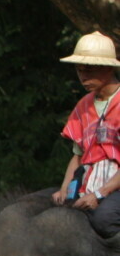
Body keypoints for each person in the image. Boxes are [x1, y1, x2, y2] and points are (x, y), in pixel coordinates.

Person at [52, 32, 120, 237]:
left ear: (108, 68)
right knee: (55, 215)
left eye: (89, 70)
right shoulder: (83, 106)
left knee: (104, 218)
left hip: (114, 185)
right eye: (79, 70)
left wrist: (100, 194)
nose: (83, 77)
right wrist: (65, 189)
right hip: (90, 181)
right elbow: (78, 156)